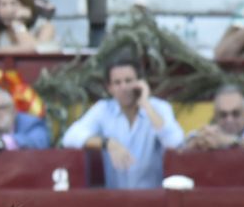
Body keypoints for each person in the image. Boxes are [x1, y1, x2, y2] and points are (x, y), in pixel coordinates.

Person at [60, 56, 184, 188]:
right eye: (117, 83)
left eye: (129, 81)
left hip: (153, 200)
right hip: (116, 200)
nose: (124, 87)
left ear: (140, 83)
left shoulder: (158, 107)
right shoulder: (103, 109)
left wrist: (146, 104)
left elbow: (175, 141)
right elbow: (70, 137)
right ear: (110, 88)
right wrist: (109, 143)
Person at [182, 84, 244, 151]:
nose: (229, 119)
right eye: (223, 115)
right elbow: (181, 149)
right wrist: (196, 143)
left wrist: (231, 142)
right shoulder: (208, 134)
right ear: (215, 115)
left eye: (236, 113)